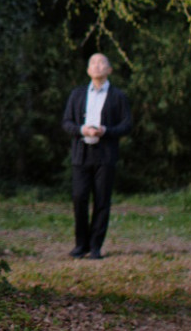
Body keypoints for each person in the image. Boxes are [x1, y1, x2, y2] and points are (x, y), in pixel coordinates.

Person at [61, 53, 132, 260]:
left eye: (102, 63)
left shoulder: (118, 96)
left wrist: (105, 131)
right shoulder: (77, 94)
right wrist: (83, 130)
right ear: (88, 70)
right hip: (81, 153)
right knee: (79, 197)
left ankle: (95, 246)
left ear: (109, 70)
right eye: (93, 62)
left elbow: (127, 125)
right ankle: (80, 245)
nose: (97, 66)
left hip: (106, 154)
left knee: (102, 200)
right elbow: (66, 122)